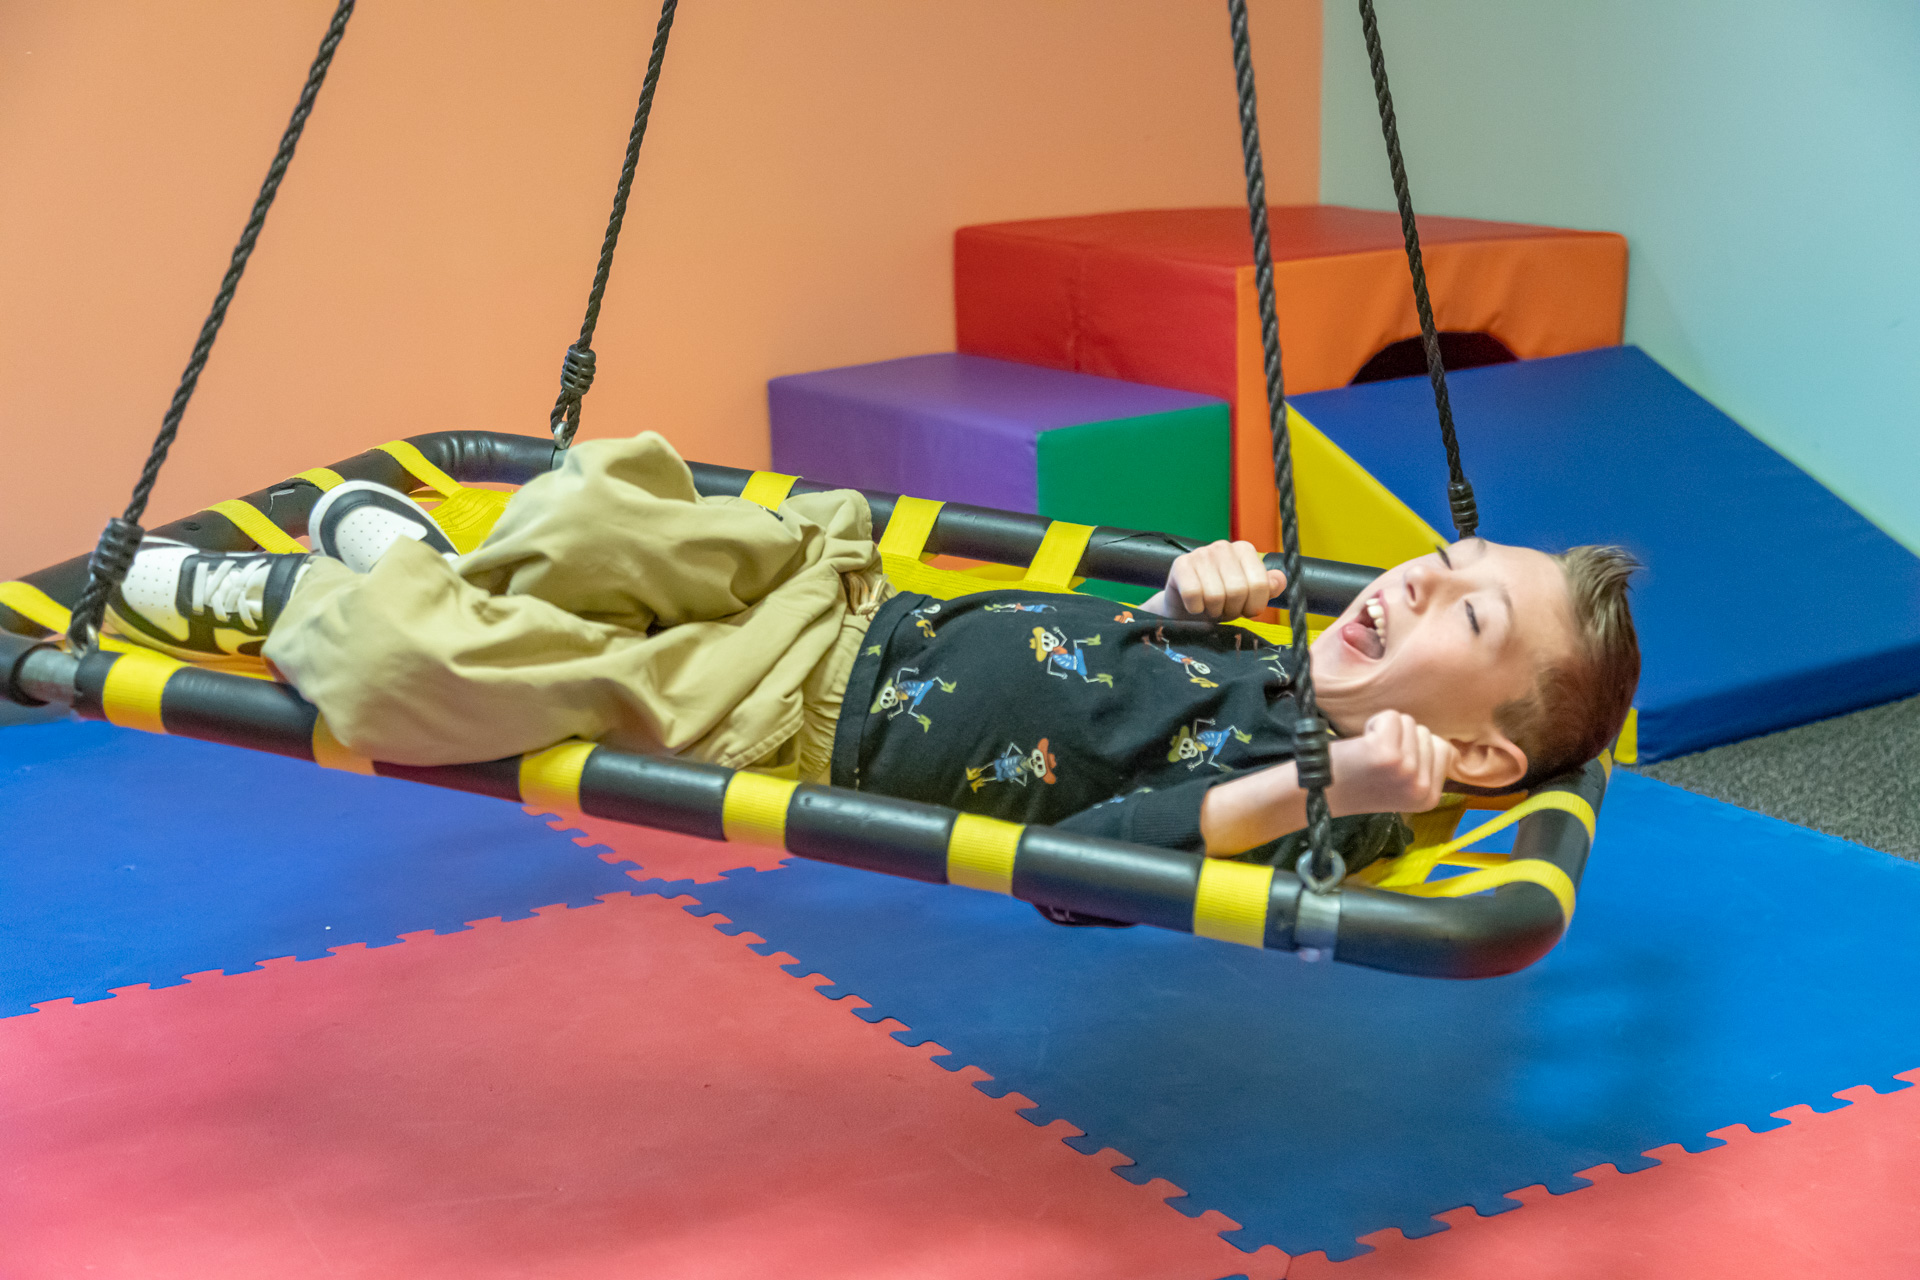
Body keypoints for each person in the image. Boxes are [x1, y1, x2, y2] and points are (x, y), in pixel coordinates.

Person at [105, 432, 1639, 879]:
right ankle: (425, 555)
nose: (1411, 586)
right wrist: (1185, 596)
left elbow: (1106, 866)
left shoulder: (1338, 800)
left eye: (1463, 618)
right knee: (606, 498)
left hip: (787, 714)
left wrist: (1334, 785)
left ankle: (294, 598)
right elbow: (1122, 673)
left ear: (1485, 753)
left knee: (429, 690)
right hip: (846, 591)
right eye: (1435, 567)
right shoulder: (1289, 665)